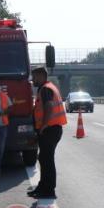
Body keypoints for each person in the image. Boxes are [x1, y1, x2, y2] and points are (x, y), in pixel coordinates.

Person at [28, 67, 67, 199]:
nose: (32, 79)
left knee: (47, 160)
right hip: (51, 130)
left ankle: (48, 190)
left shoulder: (45, 89)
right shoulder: (47, 87)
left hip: (50, 130)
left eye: (34, 77)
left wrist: (43, 126)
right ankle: (42, 187)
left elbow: (49, 107)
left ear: (41, 76)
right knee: (44, 159)